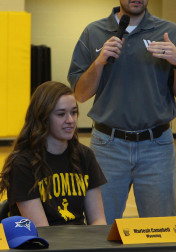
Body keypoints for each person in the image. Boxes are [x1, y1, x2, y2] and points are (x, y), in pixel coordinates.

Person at [67, 0, 176, 224]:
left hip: (157, 147)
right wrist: (100, 61)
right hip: (107, 146)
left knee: (160, 229)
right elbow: (80, 94)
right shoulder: (94, 32)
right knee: (100, 229)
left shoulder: (168, 32)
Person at [0, 81, 107, 226]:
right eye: (61, 114)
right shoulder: (22, 164)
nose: (70, 120)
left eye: (73, 112)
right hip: (44, 244)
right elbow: (42, 230)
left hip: (80, 243)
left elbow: (98, 220)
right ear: (43, 118)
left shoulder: (85, 156)